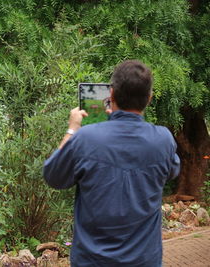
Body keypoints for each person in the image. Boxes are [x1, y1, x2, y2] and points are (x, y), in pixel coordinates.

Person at [43, 60, 180, 267]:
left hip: (93, 261)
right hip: (145, 260)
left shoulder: (86, 139)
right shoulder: (163, 139)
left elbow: (53, 176)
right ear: (149, 99)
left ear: (111, 95)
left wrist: (72, 129)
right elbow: (172, 171)